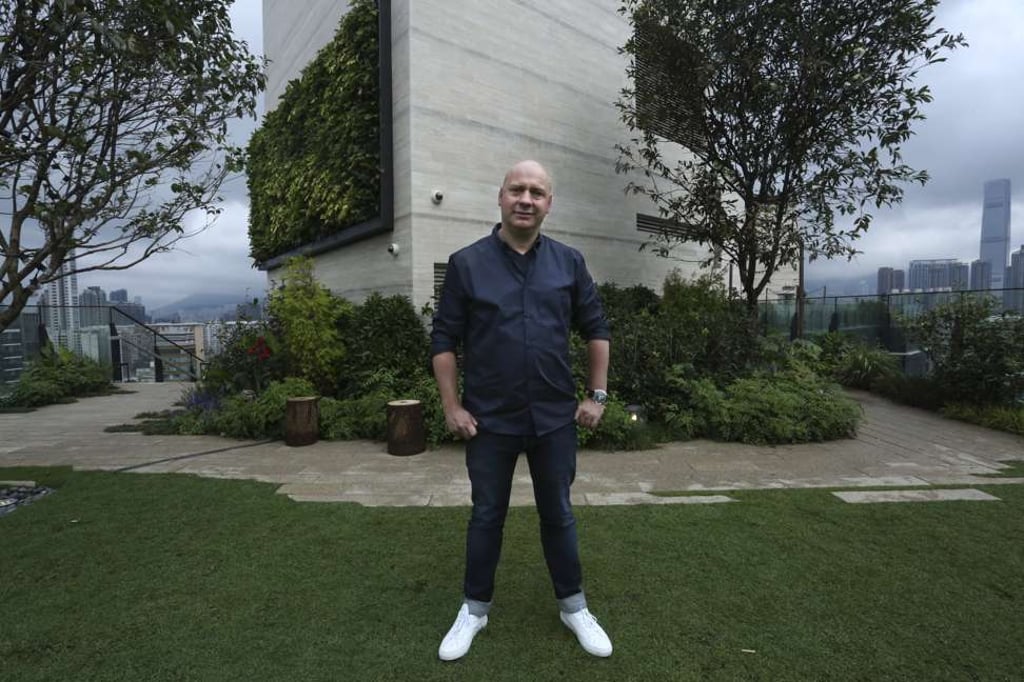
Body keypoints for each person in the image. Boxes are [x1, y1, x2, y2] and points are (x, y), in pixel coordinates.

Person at [430, 160, 613, 661]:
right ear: (501, 197)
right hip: (490, 421)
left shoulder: (569, 262)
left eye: (536, 192)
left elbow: (596, 329)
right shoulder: (466, 264)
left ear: (549, 203)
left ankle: (573, 607)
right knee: (487, 514)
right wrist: (451, 406)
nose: (526, 199)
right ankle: (474, 610)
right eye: (517, 189)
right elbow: (444, 341)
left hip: (555, 419)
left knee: (558, 513)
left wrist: (596, 396)